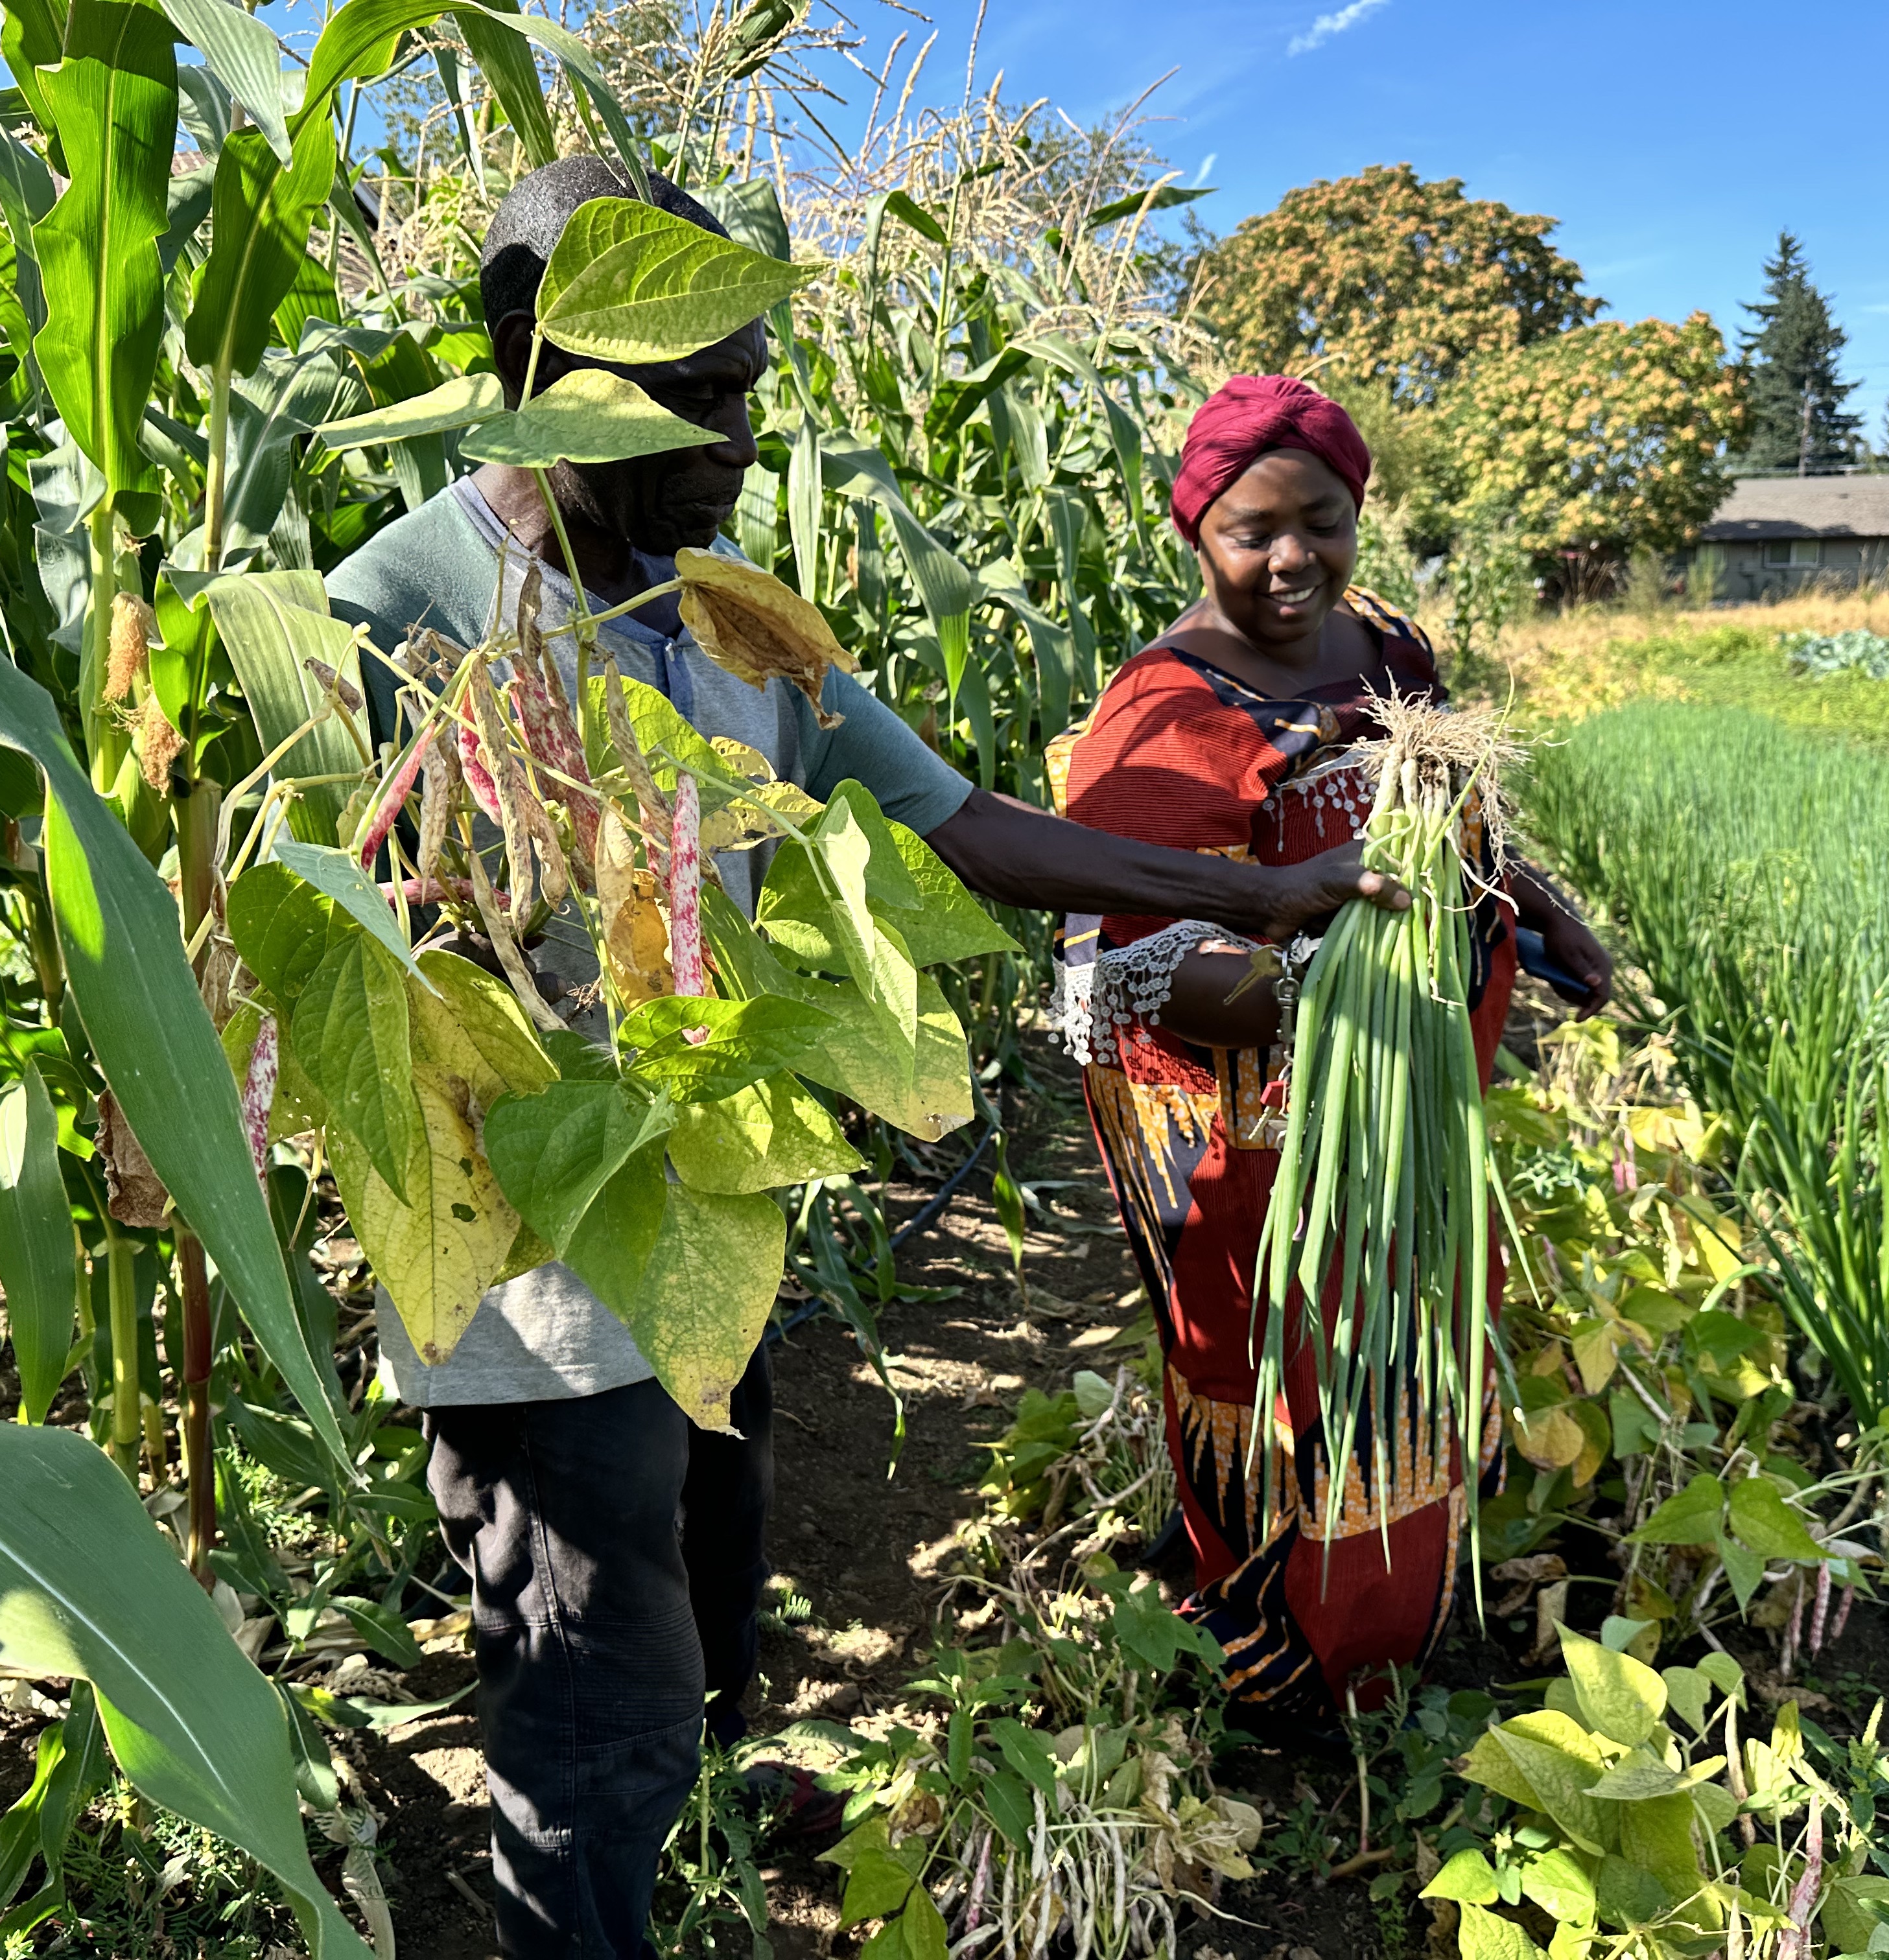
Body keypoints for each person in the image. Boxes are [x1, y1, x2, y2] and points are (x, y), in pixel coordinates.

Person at [325, 165, 1407, 1960]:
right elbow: (350, 961)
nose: (741, 437)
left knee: (717, 1561)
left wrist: (1258, 892)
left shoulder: (728, 606)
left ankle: (707, 1822)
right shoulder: (394, 614)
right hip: (521, 1244)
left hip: (710, 1208)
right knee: (594, 1674)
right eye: (694, 391)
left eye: (752, 387)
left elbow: (962, 820)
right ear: (531, 359)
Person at [1052, 376, 1612, 1735]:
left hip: (1411, 1116)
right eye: (1253, 529)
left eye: (1324, 521)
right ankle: (1275, 1675)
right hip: (1260, 1153)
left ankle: (1383, 1649)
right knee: (1283, 1382)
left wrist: (1531, 910)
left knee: (1407, 1354)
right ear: (1196, 528)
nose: (1293, 556)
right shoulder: (1166, 714)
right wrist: (1343, 990)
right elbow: (1135, 968)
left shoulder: (1389, 651)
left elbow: (1445, 825)